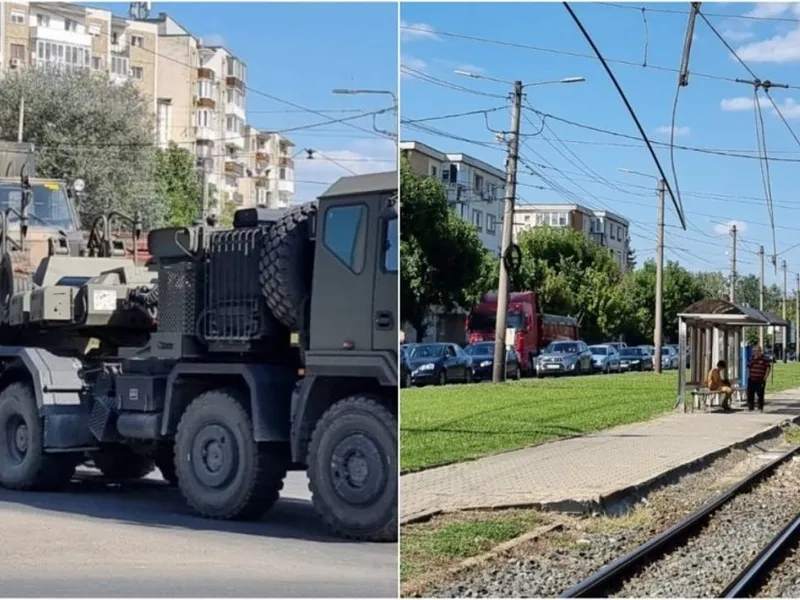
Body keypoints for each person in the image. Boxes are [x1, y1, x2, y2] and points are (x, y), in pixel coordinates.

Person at [747, 346, 772, 412]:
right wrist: (748, 375)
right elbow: (748, 367)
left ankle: (760, 407)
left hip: (760, 379)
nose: (756, 352)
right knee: (750, 393)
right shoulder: (751, 358)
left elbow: (768, 368)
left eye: (757, 351)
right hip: (752, 379)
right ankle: (750, 407)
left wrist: (765, 377)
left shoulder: (765, 359)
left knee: (760, 393)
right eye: (754, 351)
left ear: (760, 351)